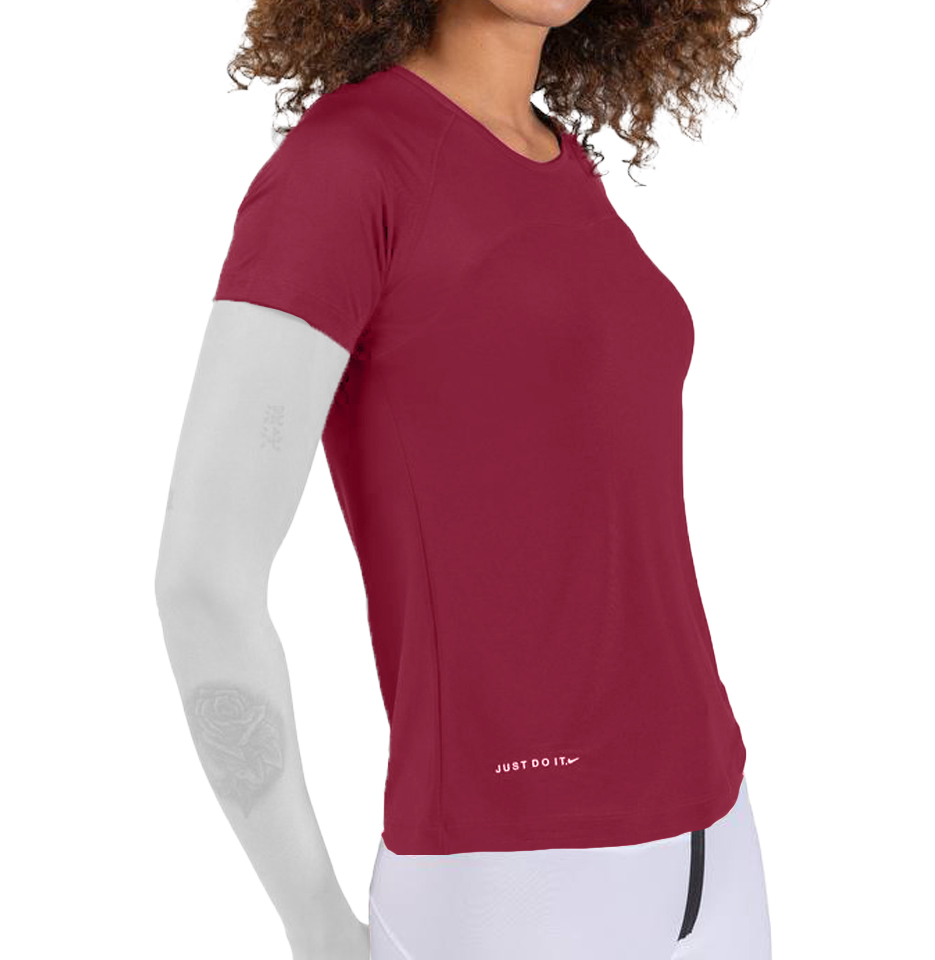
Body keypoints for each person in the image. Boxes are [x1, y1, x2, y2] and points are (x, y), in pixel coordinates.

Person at [154, 0, 772, 957]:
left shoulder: (557, 160)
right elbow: (203, 581)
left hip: (715, 833)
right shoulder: (347, 166)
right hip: (515, 880)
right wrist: (315, 923)